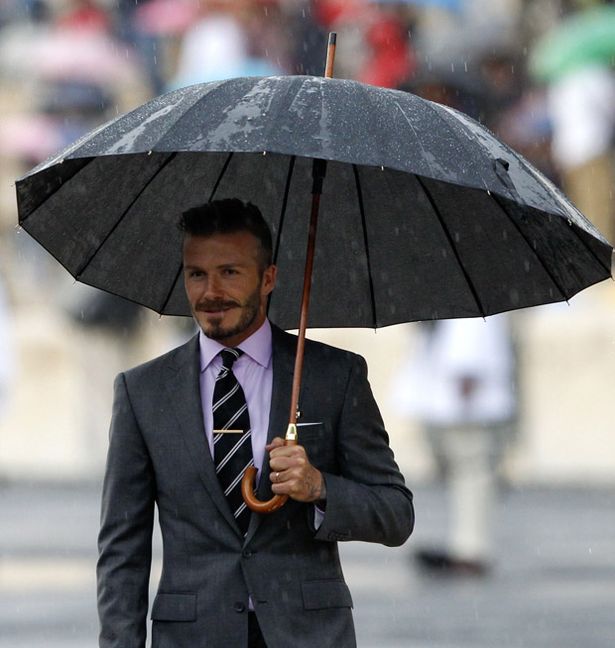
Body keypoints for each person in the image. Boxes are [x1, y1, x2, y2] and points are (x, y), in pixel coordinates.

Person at [96, 198, 415, 648]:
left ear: (268, 278)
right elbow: (121, 551)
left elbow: (396, 514)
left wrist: (320, 487)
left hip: (308, 636)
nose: (211, 292)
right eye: (196, 274)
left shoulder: (333, 376)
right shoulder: (142, 391)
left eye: (229, 272)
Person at [392, 315, 516, 576]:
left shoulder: (471, 310)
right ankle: (464, 546)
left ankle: (471, 550)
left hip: (467, 407)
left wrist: (465, 389)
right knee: (463, 476)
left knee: (473, 476)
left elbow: (472, 341)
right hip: (450, 405)